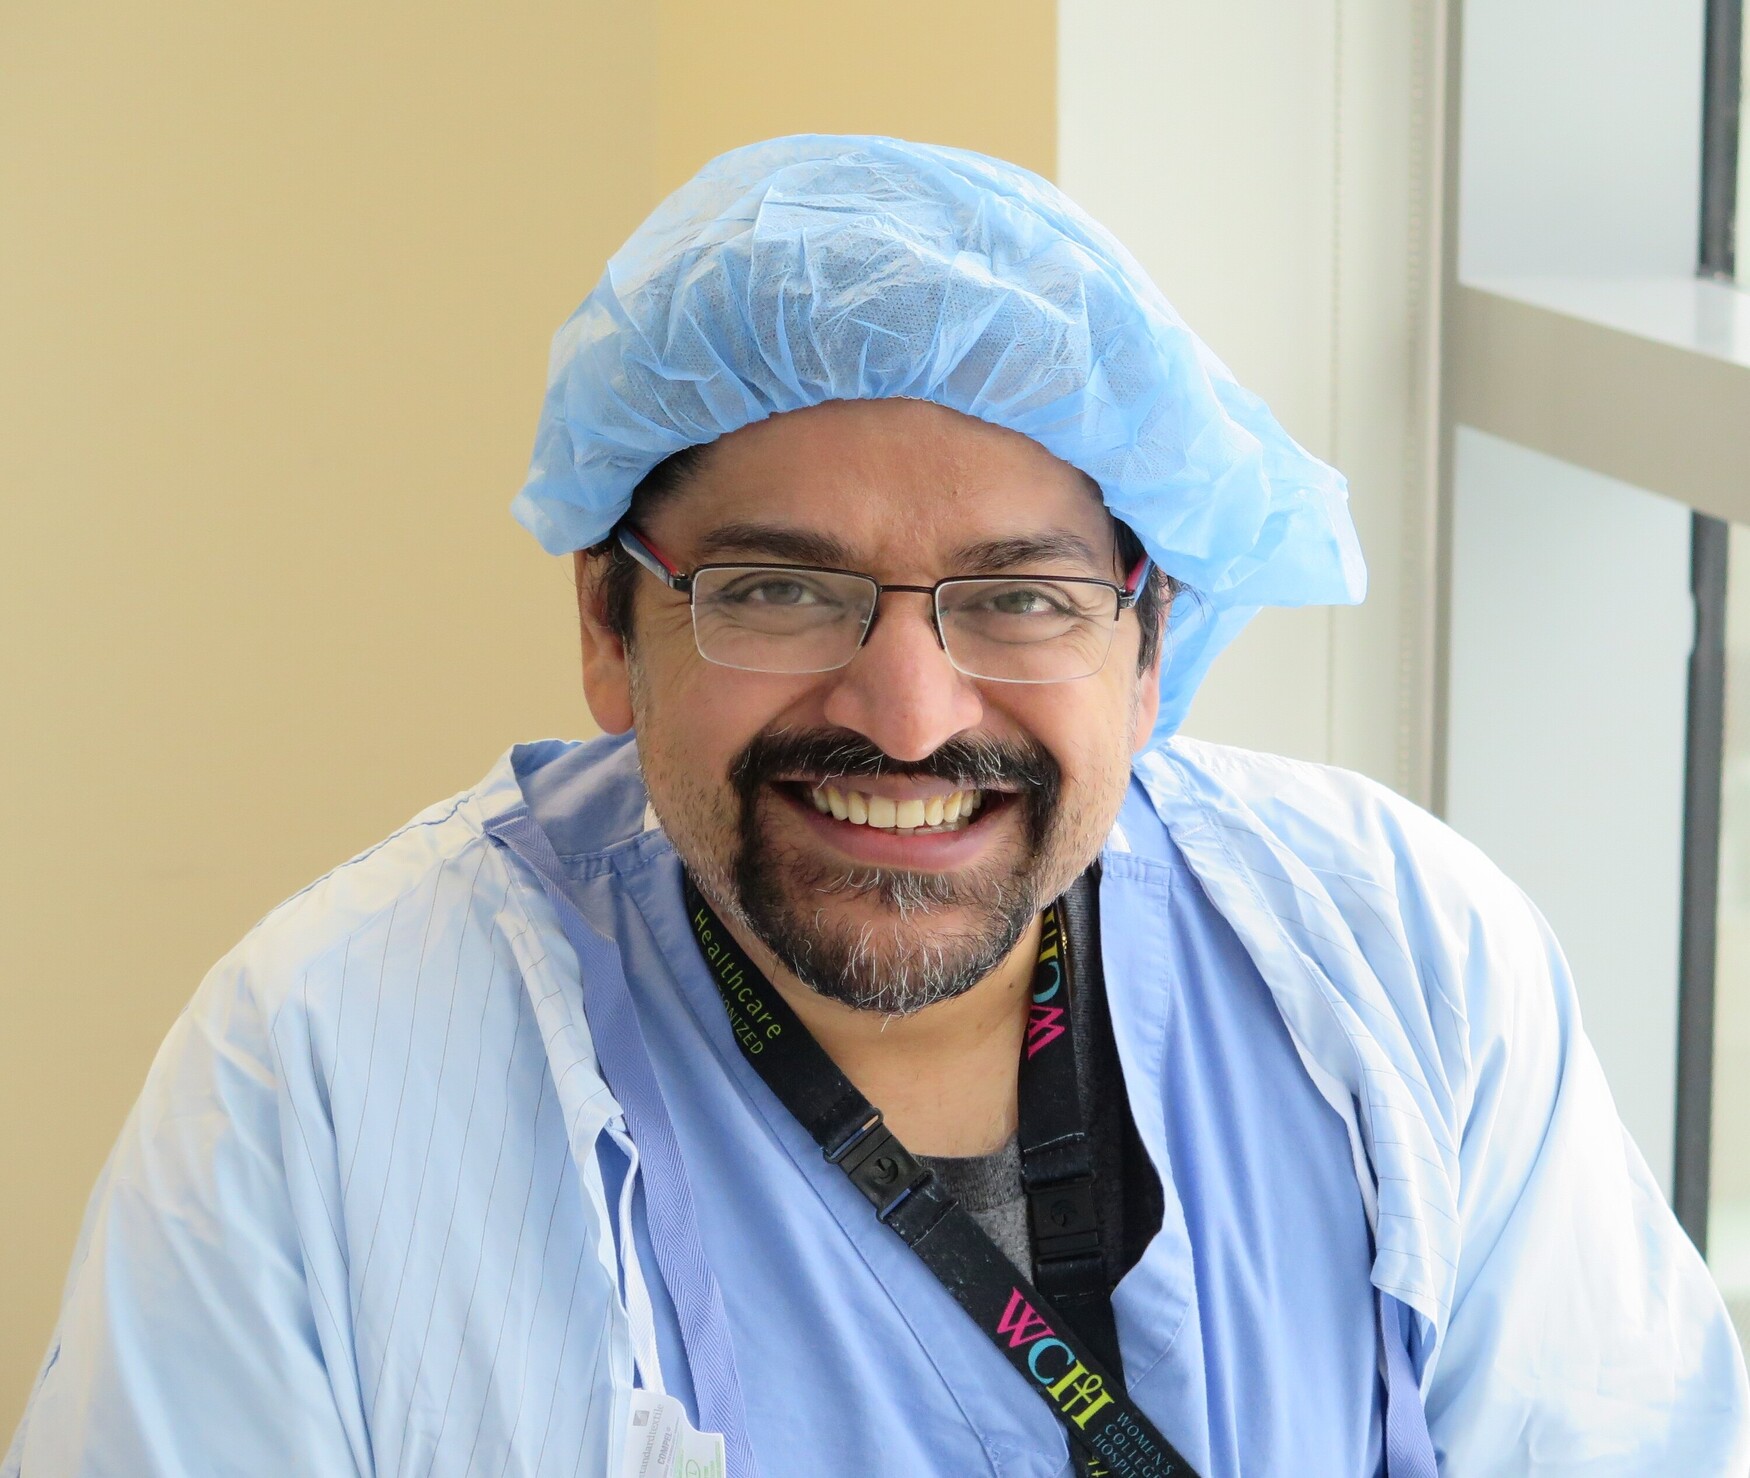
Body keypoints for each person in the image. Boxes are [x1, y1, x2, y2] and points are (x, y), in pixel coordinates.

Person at [7, 135, 1747, 1478]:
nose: (908, 714)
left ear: (1149, 651)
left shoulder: (1401, 960)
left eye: (1020, 597)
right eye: (776, 589)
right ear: (610, 630)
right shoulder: (321, 1070)